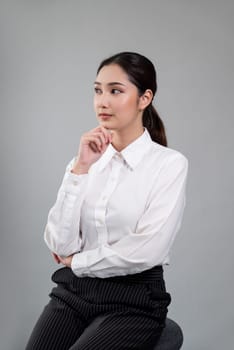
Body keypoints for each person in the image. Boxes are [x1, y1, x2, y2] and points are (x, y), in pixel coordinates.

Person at [26, 52, 188, 350]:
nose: (103, 101)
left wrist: (78, 262)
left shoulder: (168, 164)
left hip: (134, 300)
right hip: (73, 293)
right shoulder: (84, 161)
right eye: (98, 90)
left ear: (144, 98)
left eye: (115, 90)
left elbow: (146, 251)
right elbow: (60, 245)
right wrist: (80, 169)